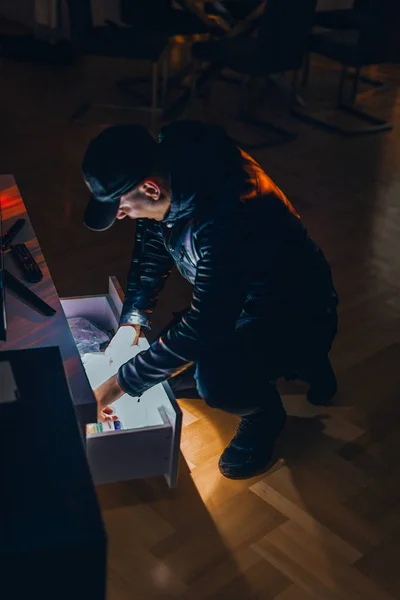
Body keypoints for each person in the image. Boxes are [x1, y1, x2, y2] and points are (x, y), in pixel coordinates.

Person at [82, 121, 338, 480]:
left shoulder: (228, 217)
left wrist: (110, 389)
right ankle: (305, 363)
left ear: (150, 189)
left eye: (122, 207)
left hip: (293, 311)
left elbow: (205, 327)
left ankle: (265, 414)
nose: (121, 215)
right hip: (238, 301)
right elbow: (154, 244)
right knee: (160, 376)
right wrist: (132, 322)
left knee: (216, 380)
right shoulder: (170, 172)